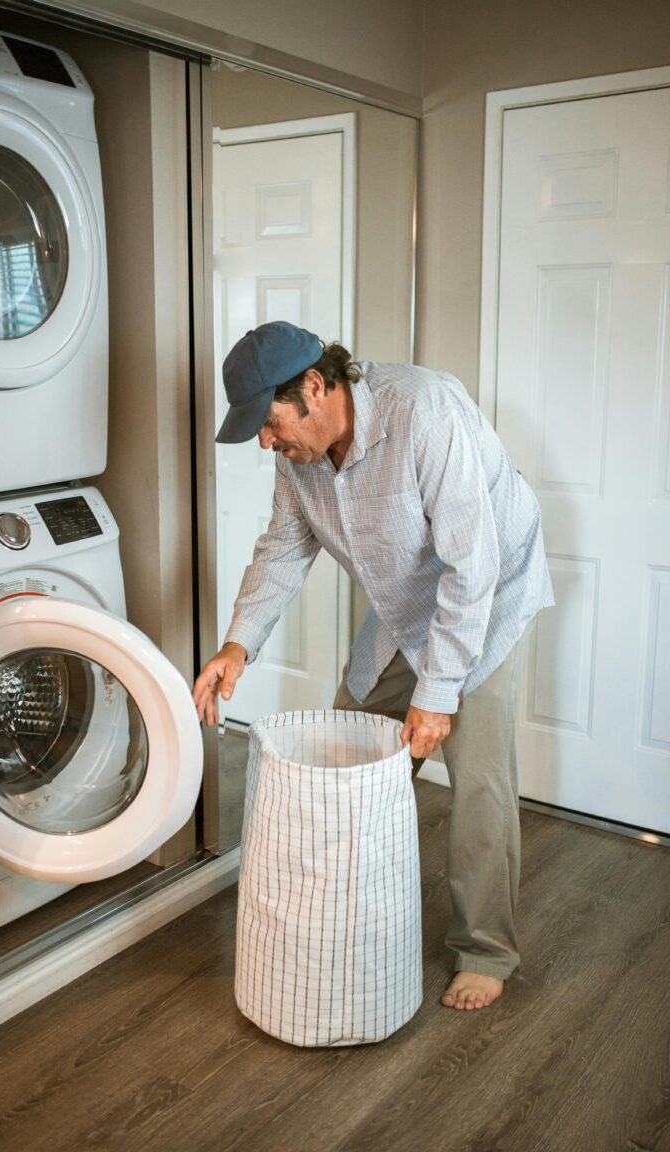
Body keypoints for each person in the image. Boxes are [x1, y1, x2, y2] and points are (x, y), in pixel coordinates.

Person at [193, 321, 554, 1012]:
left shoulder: (425, 415)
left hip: (487, 593)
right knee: (345, 752)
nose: (266, 442)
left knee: (477, 777)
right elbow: (283, 548)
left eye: (268, 424)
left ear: (315, 387)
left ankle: (486, 950)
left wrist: (438, 694)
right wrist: (238, 644)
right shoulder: (299, 457)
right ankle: (342, 913)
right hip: (403, 601)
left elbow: (469, 569)